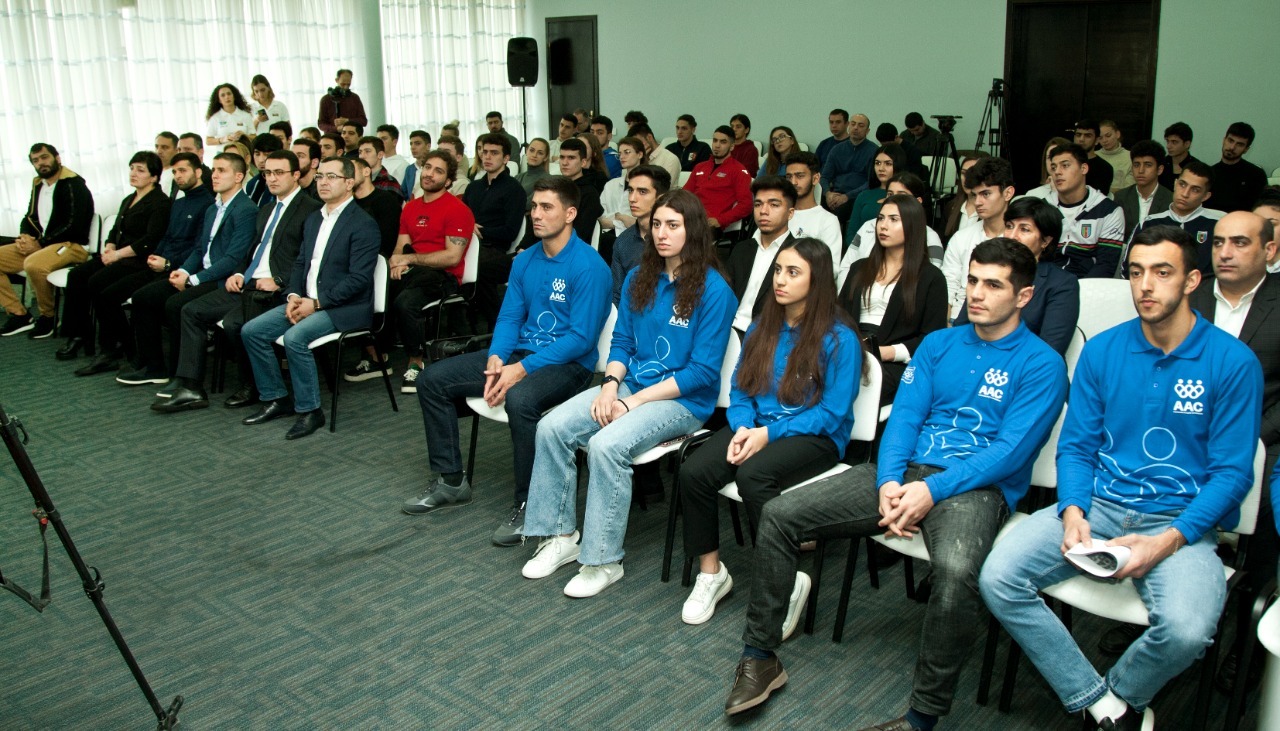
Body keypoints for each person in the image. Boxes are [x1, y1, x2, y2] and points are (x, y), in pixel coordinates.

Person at [723, 239, 1067, 728]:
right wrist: (888, 480)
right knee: (779, 515)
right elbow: (904, 419)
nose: (976, 294)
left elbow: (1010, 451)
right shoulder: (940, 345)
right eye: (972, 280)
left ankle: (922, 718)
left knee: (955, 572)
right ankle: (760, 657)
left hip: (975, 490)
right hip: (902, 475)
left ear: (1024, 296)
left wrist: (932, 491)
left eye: (993, 285)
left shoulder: (1042, 364)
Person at [980, 225, 1262, 731]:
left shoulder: (1233, 361)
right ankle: (1102, 707)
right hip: (1099, 506)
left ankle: (1122, 694)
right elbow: (1077, 447)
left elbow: (1232, 475)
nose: (1145, 285)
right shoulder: (1104, 350)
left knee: (1187, 631)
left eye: (1162, 272)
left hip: (1181, 521)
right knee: (998, 577)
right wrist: (1072, 511)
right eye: (1136, 272)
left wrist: (1168, 540)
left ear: (1192, 280)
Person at [520, 189, 737, 597]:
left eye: (673, 225)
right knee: (551, 427)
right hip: (630, 384)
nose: (662, 233)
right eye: (657, 224)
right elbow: (621, 342)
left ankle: (603, 560)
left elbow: (702, 372)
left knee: (606, 445)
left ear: (693, 230)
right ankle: (561, 536)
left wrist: (630, 402)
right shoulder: (640, 276)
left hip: (683, 401)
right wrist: (609, 387)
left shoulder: (714, 290)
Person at [405, 176, 611, 546]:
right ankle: (451, 481)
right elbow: (510, 317)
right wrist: (497, 359)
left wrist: (521, 370)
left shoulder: (590, 266)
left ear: (570, 214)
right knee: (431, 380)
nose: (536, 214)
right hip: (519, 355)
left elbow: (581, 339)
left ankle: (531, 504)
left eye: (546, 207)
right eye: (534, 207)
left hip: (570, 365)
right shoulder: (526, 260)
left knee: (521, 399)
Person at [679, 236, 862, 626]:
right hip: (757, 426)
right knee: (694, 471)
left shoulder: (839, 338)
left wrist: (768, 435)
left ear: (817, 281)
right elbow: (740, 388)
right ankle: (712, 573)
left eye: (793, 272)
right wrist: (744, 426)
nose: (780, 279)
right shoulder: (763, 325)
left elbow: (831, 413)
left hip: (816, 437)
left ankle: (787, 580)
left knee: (753, 476)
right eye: (778, 270)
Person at [154, 149, 322, 412]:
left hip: (276, 289)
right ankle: (191, 387)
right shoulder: (267, 209)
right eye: (268, 173)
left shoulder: (311, 209)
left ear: (296, 175)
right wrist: (240, 273)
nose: (272, 178)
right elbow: (252, 250)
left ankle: (252, 384)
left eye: (279, 173)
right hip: (249, 283)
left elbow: (311, 257)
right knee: (190, 310)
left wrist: (280, 280)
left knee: (235, 323)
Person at [238, 156, 380, 439]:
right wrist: (292, 294)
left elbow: (359, 280)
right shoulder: (314, 218)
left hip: (344, 307)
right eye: (319, 176)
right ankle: (277, 398)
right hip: (306, 300)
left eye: (331, 177)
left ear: (349, 183)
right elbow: (301, 262)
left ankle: (310, 410)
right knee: (252, 331)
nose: (323, 182)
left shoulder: (363, 224)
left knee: (295, 338)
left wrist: (316, 303)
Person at [64, 152, 213, 371]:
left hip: (161, 264)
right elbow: (165, 238)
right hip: (155, 261)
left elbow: (193, 246)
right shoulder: (178, 202)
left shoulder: (198, 204)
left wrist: (167, 262)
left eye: (183, 171)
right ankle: (115, 347)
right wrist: (112, 246)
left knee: (113, 292)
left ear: (198, 172)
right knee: (86, 280)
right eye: (174, 172)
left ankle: (128, 351)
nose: (178, 176)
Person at [117, 152, 256, 385]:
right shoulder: (213, 208)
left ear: (239, 176)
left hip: (220, 279)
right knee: (143, 298)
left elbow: (233, 259)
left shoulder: (246, 209)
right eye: (214, 169)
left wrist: (193, 279)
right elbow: (200, 249)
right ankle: (154, 367)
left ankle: (179, 375)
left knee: (175, 305)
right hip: (201, 273)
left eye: (222, 170)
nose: (214, 175)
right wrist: (183, 271)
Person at [349, 149, 474, 394]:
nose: (429, 174)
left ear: (448, 180)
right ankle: (377, 357)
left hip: (444, 277)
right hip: (413, 271)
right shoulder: (411, 207)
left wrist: (408, 259)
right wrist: (398, 262)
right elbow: (401, 245)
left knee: (405, 303)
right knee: (366, 290)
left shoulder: (457, 209)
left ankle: (416, 362)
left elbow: (452, 256)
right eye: (427, 167)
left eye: (438, 171)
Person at [56, 153, 170, 362]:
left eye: (140, 170)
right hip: (119, 256)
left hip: (137, 260)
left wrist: (116, 254)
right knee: (76, 276)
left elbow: (149, 241)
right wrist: (109, 246)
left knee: (97, 283)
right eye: (132, 168)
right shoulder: (129, 198)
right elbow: (116, 229)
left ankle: (116, 343)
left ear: (154, 177)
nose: (133, 173)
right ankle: (79, 335)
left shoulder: (160, 203)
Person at [840, 193, 947, 405]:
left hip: (895, 361)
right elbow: (839, 315)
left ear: (912, 225)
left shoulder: (931, 277)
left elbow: (932, 338)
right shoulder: (859, 267)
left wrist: (886, 352)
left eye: (893, 219)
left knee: (856, 382)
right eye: (881, 218)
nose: (883, 225)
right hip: (850, 350)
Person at [954, 196, 1081, 355]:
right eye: (1009, 226)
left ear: (1046, 241)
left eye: (1024, 229)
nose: (1013, 236)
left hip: (1025, 364)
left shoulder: (1061, 283)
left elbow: (1051, 348)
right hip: (972, 356)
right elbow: (961, 329)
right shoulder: (989, 272)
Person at [0, 143, 95, 338]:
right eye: (35, 160)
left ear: (57, 158)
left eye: (44, 157)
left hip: (72, 246)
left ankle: (48, 317)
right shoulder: (39, 185)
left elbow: (73, 225)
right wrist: (25, 237)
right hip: (44, 245)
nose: (41, 163)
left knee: (34, 265)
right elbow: (30, 217)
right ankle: (19, 315)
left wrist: (39, 244)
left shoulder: (73, 184)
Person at [464, 133, 526, 336]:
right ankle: (463, 326)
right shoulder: (473, 187)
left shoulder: (514, 189)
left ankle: (499, 326)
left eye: (494, 153)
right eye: (484, 152)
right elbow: (460, 219)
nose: (487, 157)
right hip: (468, 247)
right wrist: (467, 227)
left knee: (477, 268)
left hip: (496, 251)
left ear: (506, 158)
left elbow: (510, 232)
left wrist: (479, 231)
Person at [941, 156, 1016, 317]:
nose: (978, 202)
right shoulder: (961, 238)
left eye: (986, 194)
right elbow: (948, 287)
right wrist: (948, 325)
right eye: (975, 195)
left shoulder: (1019, 239)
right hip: (959, 318)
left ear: (1008, 193)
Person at [728, 177, 797, 334]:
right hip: (729, 329)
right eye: (758, 204)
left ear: (790, 213)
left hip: (770, 335)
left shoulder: (798, 255)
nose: (763, 211)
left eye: (774, 205)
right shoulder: (742, 249)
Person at [1046, 143, 1125, 278]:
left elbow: (1105, 265)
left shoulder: (1108, 211)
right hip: (1045, 282)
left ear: (1083, 168)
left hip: (1087, 285)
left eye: (1065, 165)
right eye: (1054, 167)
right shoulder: (1043, 206)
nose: (1057, 172)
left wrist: (1076, 289)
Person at [1131, 161, 1222, 276]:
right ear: (1175, 184)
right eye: (1182, 184)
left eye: (1195, 190)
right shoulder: (1150, 223)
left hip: (1202, 286)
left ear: (1205, 196)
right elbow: (1129, 265)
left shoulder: (1217, 225)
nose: (1185, 194)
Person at [841, 173, 945, 273]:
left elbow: (932, 276)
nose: (893, 199)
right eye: (890, 194)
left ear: (918, 201)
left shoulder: (930, 237)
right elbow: (846, 267)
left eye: (901, 195)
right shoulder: (868, 226)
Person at [609, 164, 670, 305]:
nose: (632, 198)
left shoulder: (675, 239)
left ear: (661, 198)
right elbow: (617, 295)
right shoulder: (623, 241)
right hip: (632, 313)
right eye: (630, 190)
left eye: (642, 192)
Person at [683, 126, 752, 239]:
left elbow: (746, 205)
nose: (717, 145)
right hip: (690, 217)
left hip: (710, 223)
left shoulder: (739, 171)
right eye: (715, 140)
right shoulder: (700, 167)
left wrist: (721, 220)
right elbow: (685, 194)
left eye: (723, 142)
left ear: (732, 146)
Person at [782, 151, 841, 268]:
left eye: (800, 176)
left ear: (815, 179)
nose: (793, 182)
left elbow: (831, 268)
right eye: (789, 177)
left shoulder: (828, 221)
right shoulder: (778, 213)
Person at [822, 113, 877, 228]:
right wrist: (828, 194)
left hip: (858, 196)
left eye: (861, 125)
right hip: (835, 194)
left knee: (838, 214)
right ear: (848, 126)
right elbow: (825, 177)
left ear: (867, 131)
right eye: (853, 124)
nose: (856, 128)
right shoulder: (837, 149)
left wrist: (847, 196)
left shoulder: (874, 151)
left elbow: (872, 182)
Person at [1113, 140, 1172, 243]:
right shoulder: (1121, 197)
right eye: (1136, 165)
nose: (1141, 170)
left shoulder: (1170, 199)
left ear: (1159, 169)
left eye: (1148, 165)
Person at [847, 143, 909, 237]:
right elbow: (852, 232)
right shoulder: (864, 195)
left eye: (888, 163)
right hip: (864, 244)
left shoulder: (906, 194)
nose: (881, 168)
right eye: (877, 163)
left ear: (898, 165)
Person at [349, 157, 402, 259]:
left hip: (375, 260)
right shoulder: (347, 203)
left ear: (366, 171)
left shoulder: (386, 200)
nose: (347, 175)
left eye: (351, 170)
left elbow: (388, 242)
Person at [1210, 122, 1267, 213]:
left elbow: (1261, 209)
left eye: (1239, 144)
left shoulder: (1256, 175)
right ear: (1224, 140)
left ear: (1246, 149)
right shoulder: (1209, 173)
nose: (1232, 147)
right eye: (1230, 140)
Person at [557, 137, 605, 245]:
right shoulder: (554, 188)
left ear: (583, 162)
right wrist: (523, 247)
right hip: (544, 244)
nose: (565, 162)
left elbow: (580, 234)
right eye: (562, 157)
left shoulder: (590, 194)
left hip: (570, 249)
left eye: (571, 158)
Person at [599, 136, 647, 233]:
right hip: (607, 234)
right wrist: (623, 220)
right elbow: (601, 217)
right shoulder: (611, 184)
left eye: (627, 152)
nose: (622, 157)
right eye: (620, 153)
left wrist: (616, 220)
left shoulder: (647, 186)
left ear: (640, 154)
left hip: (635, 235)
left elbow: (643, 222)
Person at [940, 152, 989, 241]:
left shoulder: (991, 210)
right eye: (963, 173)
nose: (967, 179)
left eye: (973, 173)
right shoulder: (951, 207)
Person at [204, 83, 254, 153]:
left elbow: (254, 137)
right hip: (223, 153)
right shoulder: (215, 118)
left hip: (243, 153)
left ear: (234, 96)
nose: (227, 97)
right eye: (223, 95)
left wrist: (244, 136)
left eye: (229, 94)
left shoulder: (245, 115)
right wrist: (222, 140)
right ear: (219, 100)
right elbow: (208, 141)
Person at [316, 68, 367, 134]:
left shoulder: (355, 98)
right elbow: (321, 124)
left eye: (348, 84)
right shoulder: (326, 99)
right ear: (336, 80)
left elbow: (363, 121)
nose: (346, 87)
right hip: (332, 137)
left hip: (352, 136)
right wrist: (336, 129)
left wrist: (347, 121)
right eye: (343, 84)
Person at [1074, 119, 1114, 195]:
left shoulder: (1105, 168)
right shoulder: (1064, 163)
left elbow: (1098, 198)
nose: (1081, 139)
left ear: (1097, 140)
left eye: (1087, 136)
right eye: (1078, 135)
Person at [1023, 137, 1069, 201]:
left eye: (1058, 156)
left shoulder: (1079, 191)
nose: (1053, 161)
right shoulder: (1033, 195)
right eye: (1049, 157)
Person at [244, 134, 283, 207]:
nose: (261, 160)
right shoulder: (252, 184)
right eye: (257, 154)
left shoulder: (284, 183)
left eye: (267, 155)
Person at [1159, 122, 1199, 192]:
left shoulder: (1196, 167)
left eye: (1174, 142)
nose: (1168, 146)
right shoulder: (1160, 163)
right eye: (1167, 141)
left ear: (1187, 144)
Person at [1095, 120, 1134, 193]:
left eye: (1108, 136)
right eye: (1100, 138)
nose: (1104, 140)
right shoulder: (1094, 156)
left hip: (1122, 198)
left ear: (1117, 134)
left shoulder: (1130, 157)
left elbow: (1130, 189)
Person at [399, 130, 432, 200]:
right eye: (411, 144)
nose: (413, 147)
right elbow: (403, 193)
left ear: (428, 146)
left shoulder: (434, 167)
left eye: (417, 143)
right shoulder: (410, 169)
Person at [516, 138, 550, 203]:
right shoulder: (518, 177)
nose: (534, 155)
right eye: (532, 150)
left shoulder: (548, 180)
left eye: (540, 153)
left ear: (545, 157)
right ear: (527, 151)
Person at [154, 131, 178, 197]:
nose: (159, 151)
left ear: (176, 150)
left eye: (164, 147)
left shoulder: (177, 174)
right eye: (156, 147)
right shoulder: (151, 173)